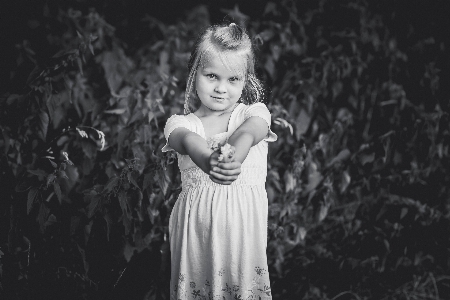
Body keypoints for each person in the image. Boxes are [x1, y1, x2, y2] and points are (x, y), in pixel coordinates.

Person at [162, 22, 277, 300]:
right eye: (211, 75)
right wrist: (209, 161)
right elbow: (189, 142)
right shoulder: (181, 123)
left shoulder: (253, 113)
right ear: (195, 73)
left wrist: (233, 156)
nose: (221, 88)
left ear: (246, 80)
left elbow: (250, 133)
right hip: (196, 245)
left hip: (242, 248)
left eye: (232, 79)